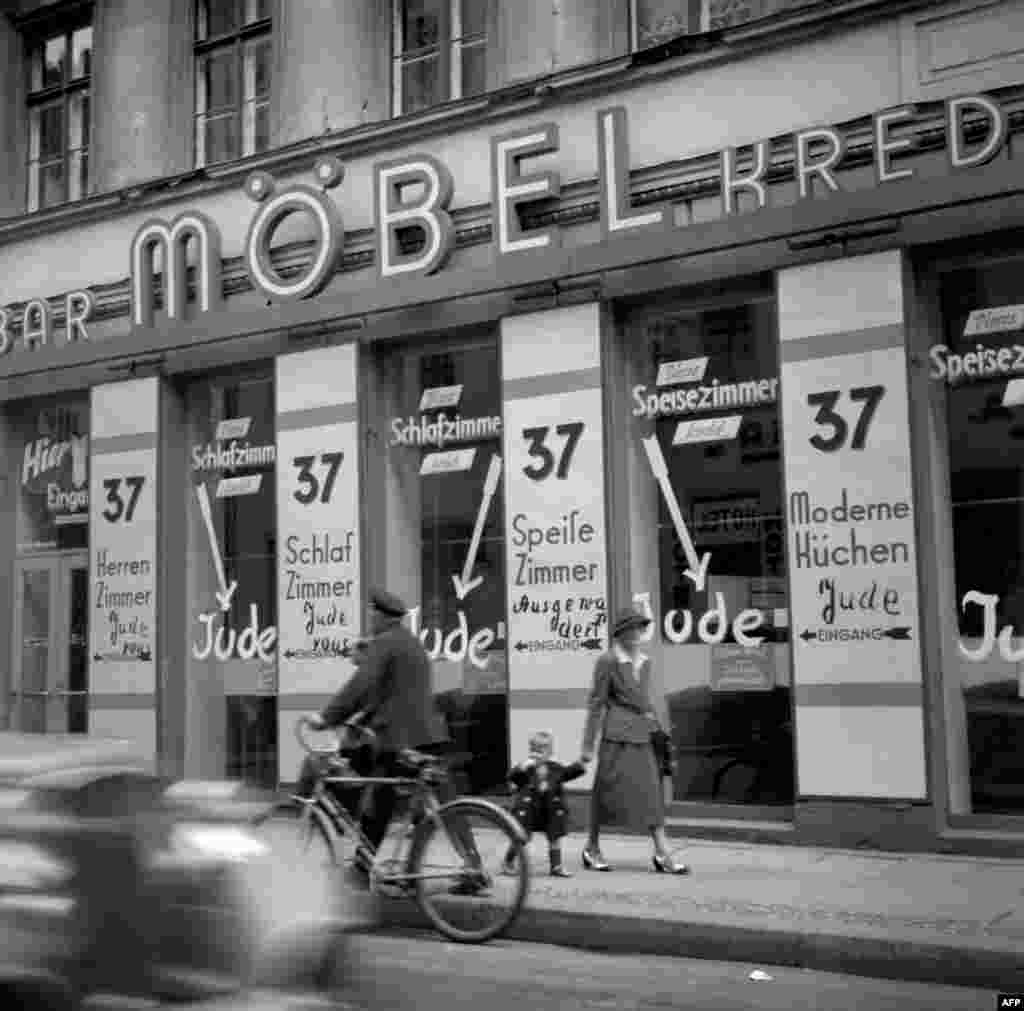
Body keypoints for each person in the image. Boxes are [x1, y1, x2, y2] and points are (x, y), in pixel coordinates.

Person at [305, 589, 484, 891]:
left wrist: (327, 718)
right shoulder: (412, 644)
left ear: (380, 616)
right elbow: (393, 694)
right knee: (444, 804)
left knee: (379, 802)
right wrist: (363, 717)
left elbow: (361, 685)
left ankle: (362, 871)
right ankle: (472, 866)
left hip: (399, 740)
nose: (370, 619)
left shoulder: (384, 644)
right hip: (429, 735)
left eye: (371, 614)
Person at [579, 607, 690, 875]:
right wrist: (587, 746)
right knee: (605, 793)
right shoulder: (608, 661)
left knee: (651, 793)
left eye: (641, 627)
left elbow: (643, 701)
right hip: (616, 736)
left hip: (641, 735)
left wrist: (655, 723)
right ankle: (592, 848)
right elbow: (597, 703)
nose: (640, 633)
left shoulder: (645, 661)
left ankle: (662, 851)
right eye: (635, 628)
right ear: (621, 633)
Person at [501, 730, 584, 878]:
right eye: (534, 749)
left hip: (549, 809)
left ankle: (556, 867)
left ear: (550, 751)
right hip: (529, 809)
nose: (537, 753)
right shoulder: (526, 768)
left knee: (554, 837)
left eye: (542, 749)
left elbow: (568, 773)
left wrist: (581, 763)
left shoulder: (555, 768)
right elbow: (512, 776)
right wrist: (522, 767)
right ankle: (508, 861)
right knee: (521, 837)